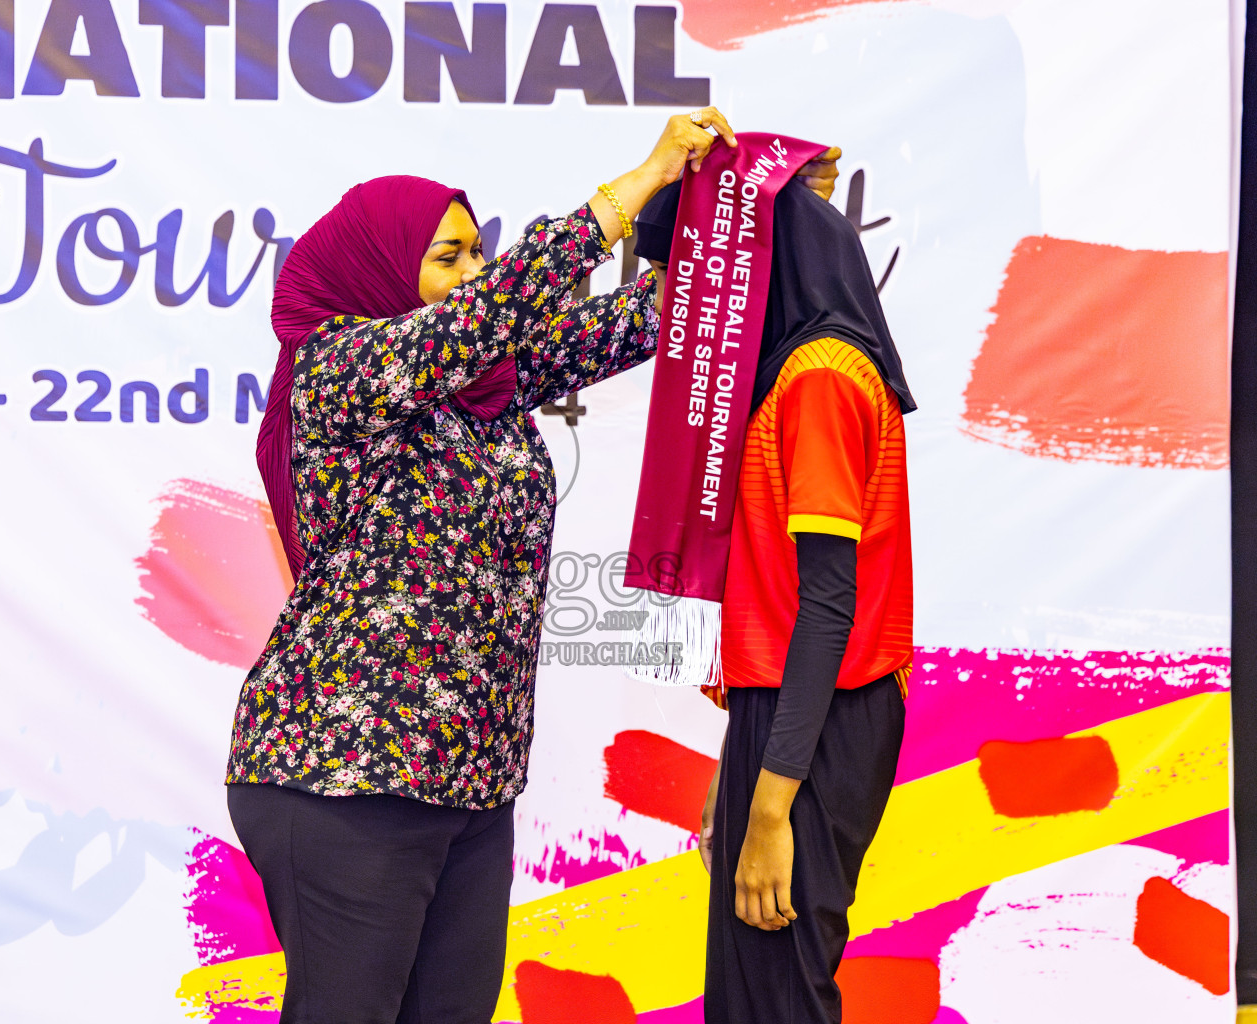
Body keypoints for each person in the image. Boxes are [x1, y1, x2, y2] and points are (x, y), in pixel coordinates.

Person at [224, 111, 839, 1023]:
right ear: (377, 268)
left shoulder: (488, 387)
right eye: (449, 256)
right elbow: (498, 310)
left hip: (472, 777)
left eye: (477, 254)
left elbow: (654, 317)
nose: (470, 275)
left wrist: (758, 222)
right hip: (343, 774)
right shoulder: (337, 370)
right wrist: (636, 184)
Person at [635, 176, 916, 1024]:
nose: (672, 306)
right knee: (756, 993)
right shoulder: (801, 369)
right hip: (797, 716)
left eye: (684, 278)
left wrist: (768, 809)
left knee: (781, 996)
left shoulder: (820, 379)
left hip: (822, 720)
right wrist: (743, 778)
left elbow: (829, 607)